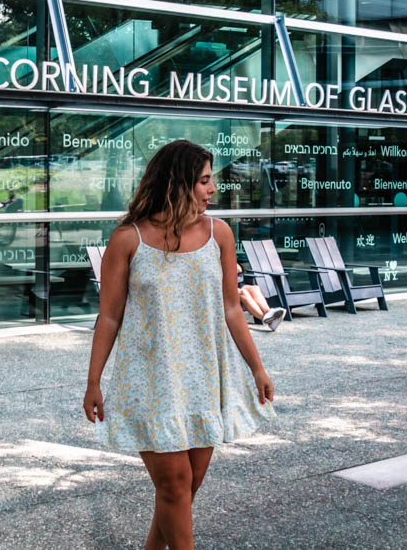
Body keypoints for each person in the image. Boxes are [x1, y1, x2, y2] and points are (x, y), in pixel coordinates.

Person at [83, 140, 275, 550]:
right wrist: (94, 381)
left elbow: (231, 309)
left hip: (204, 377)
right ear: (178, 182)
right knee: (174, 486)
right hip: (150, 381)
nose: (213, 190)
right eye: (205, 180)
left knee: (184, 490)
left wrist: (257, 368)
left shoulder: (218, 234)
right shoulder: (127, 239)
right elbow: (110, 316)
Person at [237, 264, 286, 331]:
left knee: (254, 288)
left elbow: (239, 269)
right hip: (222, 288)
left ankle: (268, 313)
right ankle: (268, 320)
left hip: (236, 284)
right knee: (242, 292)